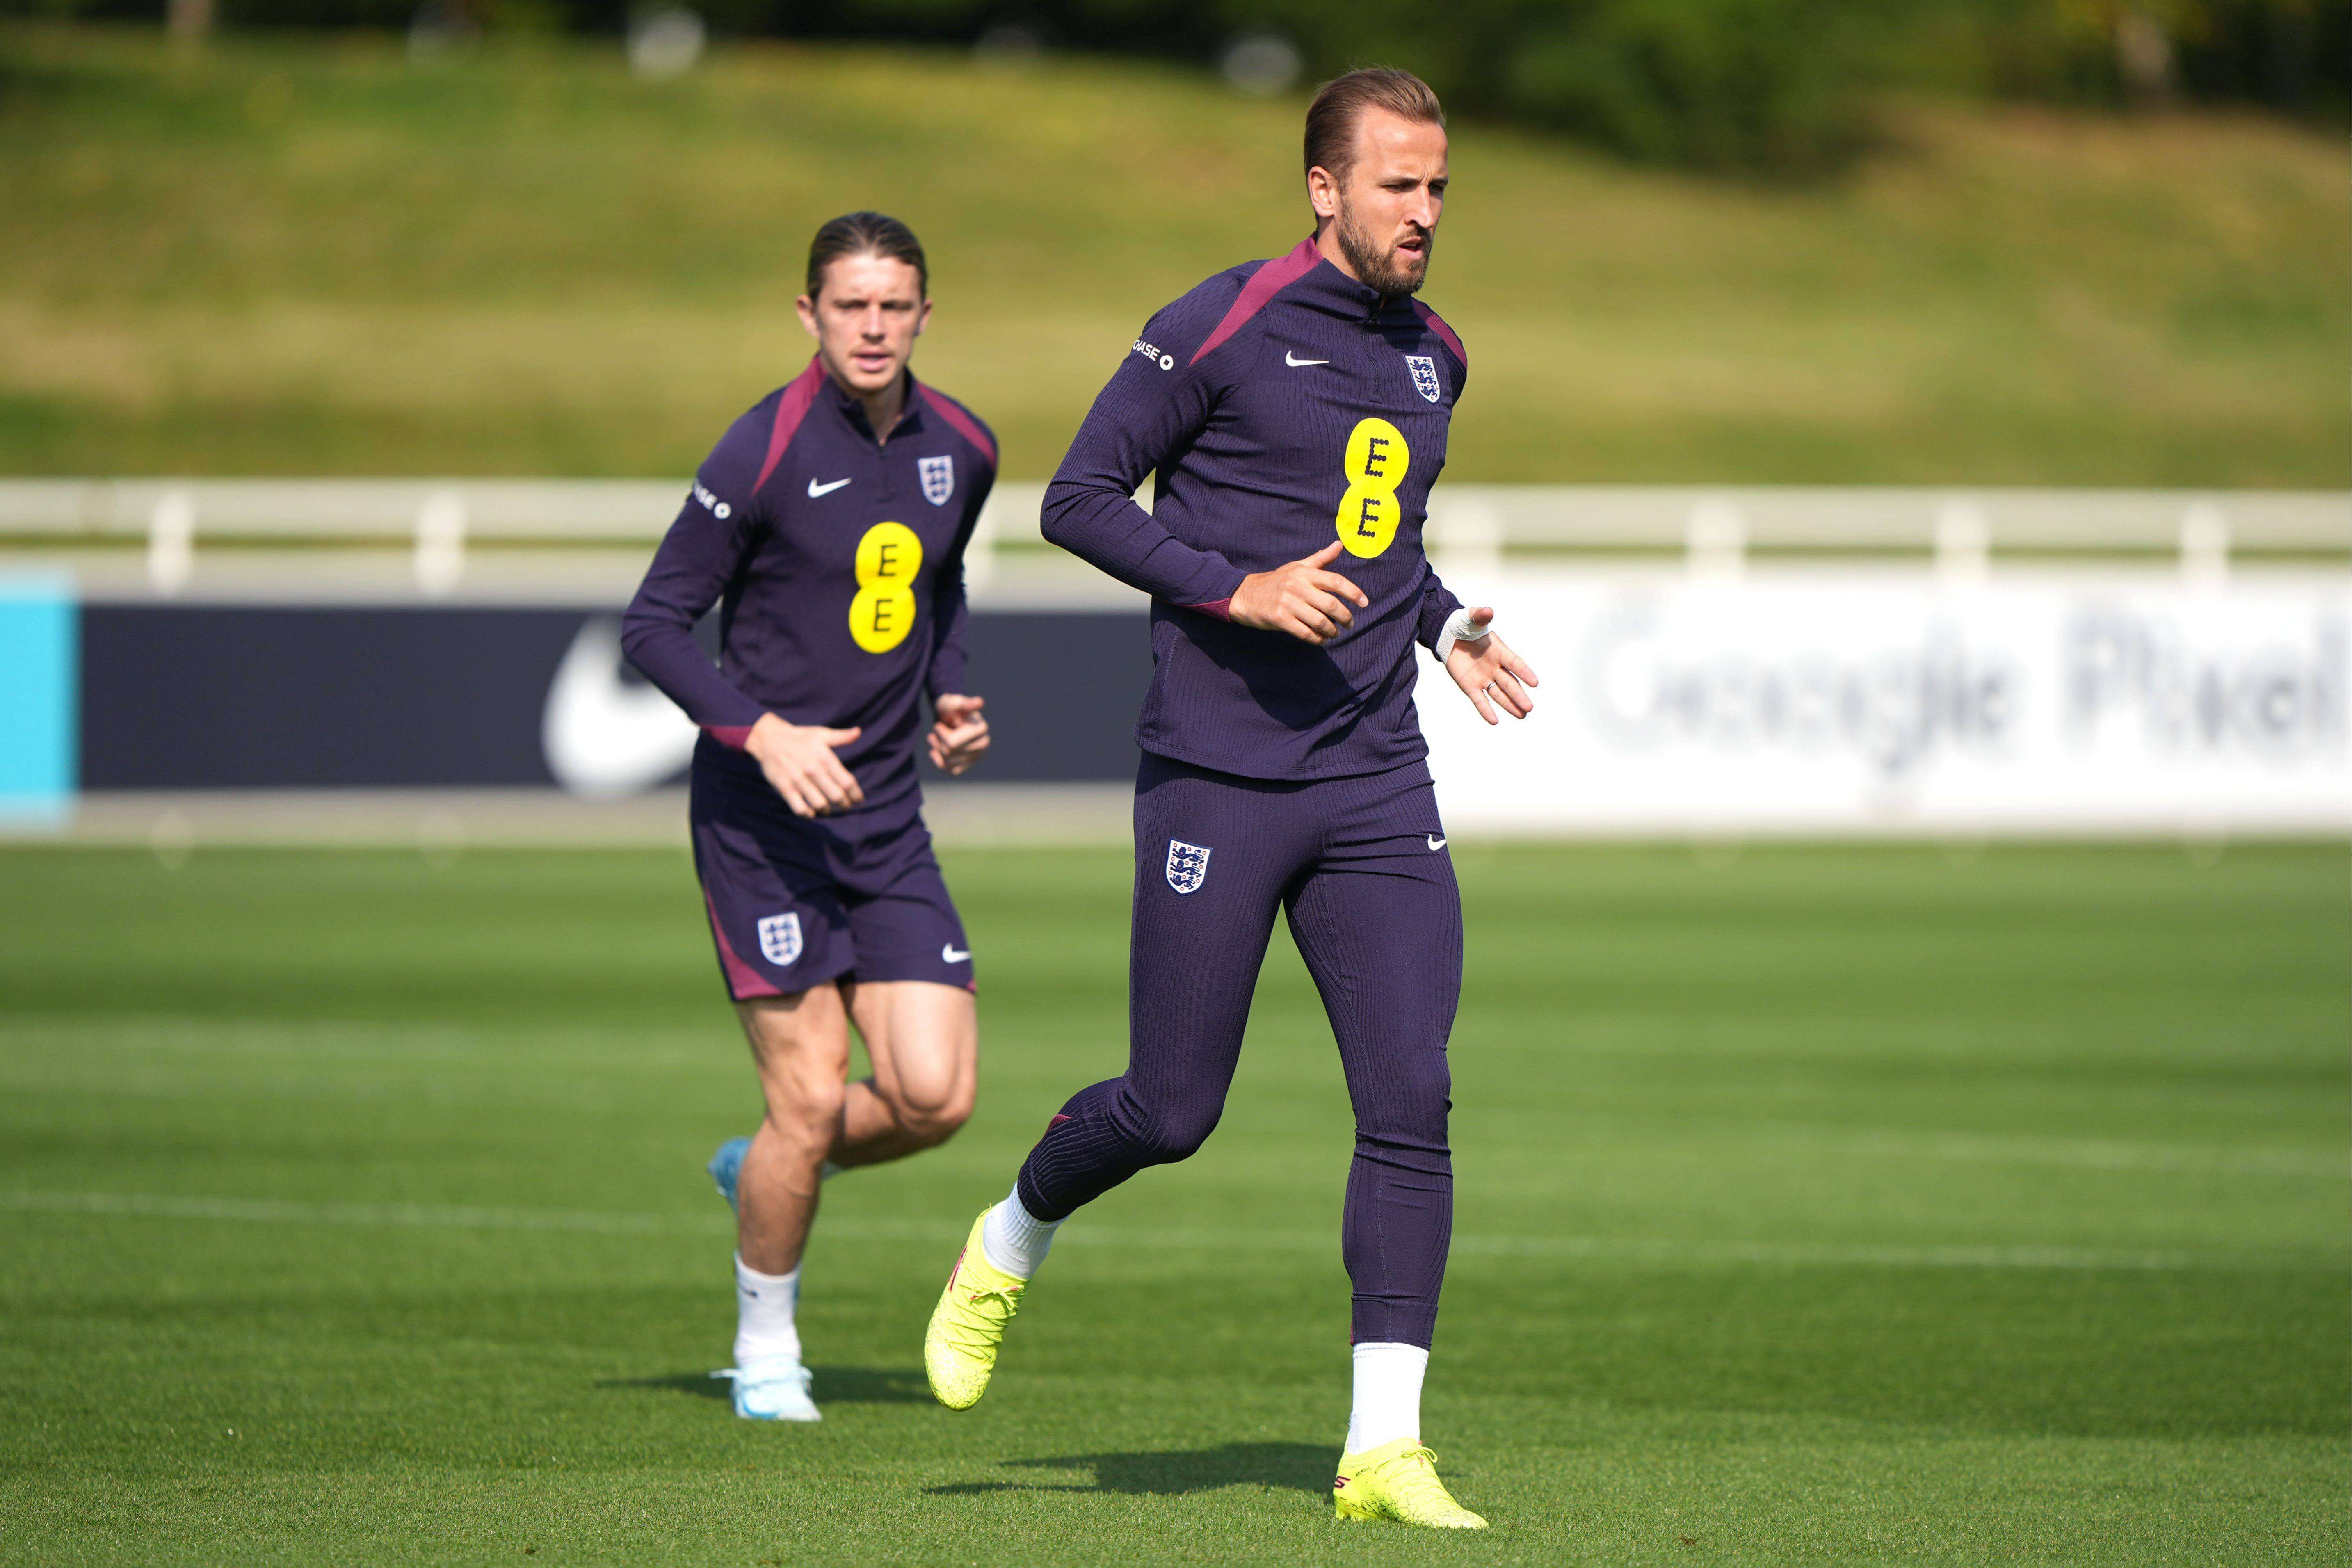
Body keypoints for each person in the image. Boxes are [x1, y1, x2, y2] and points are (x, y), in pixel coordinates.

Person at [919, 70, 1536, 1527]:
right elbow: (1079, 498)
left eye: (1439, 188)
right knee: (1173, 1108)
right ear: (1325, 188)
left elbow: (1382, 542)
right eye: (1398, 185)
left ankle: (1383, 1452)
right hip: (1219, 773)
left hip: (1375, 778)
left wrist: (1438, 627)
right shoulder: (1221, 321)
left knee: (1413, 1098)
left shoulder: (1439, 355)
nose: (1425, 212)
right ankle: (1011, 1234)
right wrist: (1238, 590)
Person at [621, 211, 998, 1423]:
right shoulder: (762, 449)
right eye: (851, 306)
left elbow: (940, 581)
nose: (873, 327)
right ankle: (766, 1351)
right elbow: (653, 626)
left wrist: (948, 693)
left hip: (885, 821)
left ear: (924, 315)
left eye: (894, 306)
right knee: (812, 1094)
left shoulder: (965, 446)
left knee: (937, 1098)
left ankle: (765, 1169)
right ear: (810, 316)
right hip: (761, 825)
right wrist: (762, 734)